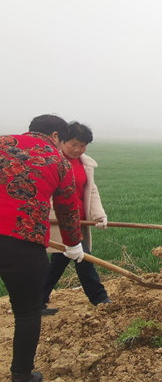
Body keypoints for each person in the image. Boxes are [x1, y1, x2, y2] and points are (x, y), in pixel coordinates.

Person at [0, 115, 84, 382]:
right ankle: (22, 375)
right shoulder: (57, 161)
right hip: (22, 241)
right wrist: (74, 244)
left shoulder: (2, 143)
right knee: (27, 311)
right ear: (57, 136)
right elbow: (68, 209)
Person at [42, 122, 111, 314]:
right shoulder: (51, 161)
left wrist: (98, 215)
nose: (78, 149)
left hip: (79, 219)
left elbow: (91, 190)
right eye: (74, 144)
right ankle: (100, 298)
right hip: (60, 222)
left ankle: (36, 301)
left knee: (58, 262)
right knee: (83, 258)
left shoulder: (85, 163)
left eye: (83, 145)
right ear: (61, 140)